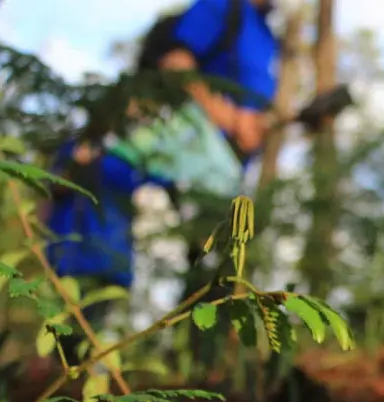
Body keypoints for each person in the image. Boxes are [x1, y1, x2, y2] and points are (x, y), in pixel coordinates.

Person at [45, 0, 281, 361]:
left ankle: (192, 364)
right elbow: (176, 65)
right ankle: (76, 361)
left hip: (215, 176)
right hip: (167, 160)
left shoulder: (268, 36)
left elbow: (254, 114)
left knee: (212, 261)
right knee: (104, 259)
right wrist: (228, 118)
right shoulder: (223, 7)